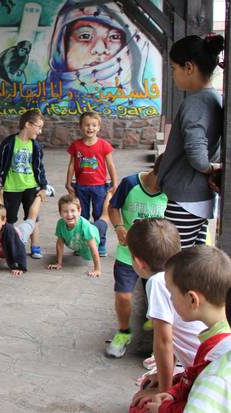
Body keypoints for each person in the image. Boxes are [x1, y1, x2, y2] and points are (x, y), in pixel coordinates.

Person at [138, 246, 231, 413]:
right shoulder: (215, 338)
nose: (171, 300)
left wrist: (164, 408)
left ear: (192, 300)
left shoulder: (215, 357)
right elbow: (193, 378)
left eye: (172, 295)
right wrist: (173, 394)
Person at [127, 219, 205, 409]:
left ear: (138, 262)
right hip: (203, 364)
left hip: (204, 372)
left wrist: (164, 389)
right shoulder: (183, 271)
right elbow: (176, 336)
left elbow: (164, 341)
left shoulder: (157, 283)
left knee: (138, 405)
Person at [157, 34, 225, 249]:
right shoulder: (213, 97)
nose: (172, 74)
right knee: (191, 259)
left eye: (173, 67)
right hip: (198, 197)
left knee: (175, 260)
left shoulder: (195, 103)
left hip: (186, 198)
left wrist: (212, 168)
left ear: (189, 67)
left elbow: (197, 155)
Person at [105, 155, 167, 358]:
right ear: (155, 172)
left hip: (157, 256)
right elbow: (113, 207)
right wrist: (119, 227)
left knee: (158, 299)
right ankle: (124, 332)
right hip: (128, 253)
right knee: (123, 295)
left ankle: (158, 341)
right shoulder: (130, 183)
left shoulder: (171, 191)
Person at [46, 0, 151, 98]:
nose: (100, 49)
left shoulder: (138, 104)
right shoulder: (41, 98)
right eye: (85, 36)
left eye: (114, 37)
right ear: (61, 44)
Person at [0, 109, 48, 258]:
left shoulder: (36, 146)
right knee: (9, 218)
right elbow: (0, 162)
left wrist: (43, 186)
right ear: (28, 124)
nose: (40, 131)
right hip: (12, 187)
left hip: (31, 186)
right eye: (39, 127)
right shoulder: (8, 143)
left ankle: (35, 246)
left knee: (33, 216)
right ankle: (9, 242)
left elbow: (40, 167)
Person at [66, 111, 118, 256]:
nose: (90, 128)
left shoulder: (104, 145)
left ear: (99, 127)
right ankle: (81, 243)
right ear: (80, 127)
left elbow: (110, 165)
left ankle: (100, 243)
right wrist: (68, 182)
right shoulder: (76, 146)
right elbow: (71, 165)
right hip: (81, 186)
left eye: (94, 125)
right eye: (87, 125)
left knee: (98, 214)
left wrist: (114, 183)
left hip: (100, 187)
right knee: (82, 216)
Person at [47, 194, 107, 278]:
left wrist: (97, 269)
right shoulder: (60, 224)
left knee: (104, 218)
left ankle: (108, 197)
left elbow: (93, 248)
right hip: (82, 236)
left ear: (79, 211)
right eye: (65, 211)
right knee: (84, 234)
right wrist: (58, 263)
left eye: (72, 211)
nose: (69, 214)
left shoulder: (86, 227)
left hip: (96, 230)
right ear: (60, 213)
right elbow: (60, 244)